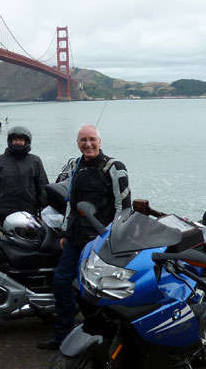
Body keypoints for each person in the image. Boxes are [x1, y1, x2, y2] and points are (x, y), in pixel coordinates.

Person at [37, 124, 131, 350]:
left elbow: (124, 208)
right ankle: (63, 336)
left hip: (99, 241)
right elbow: (71, 202)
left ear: (100, 141)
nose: (87, 144)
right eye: (83, 140)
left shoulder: (114, 167)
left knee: (93, 291)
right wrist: (65, 232)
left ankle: (97, 339)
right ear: (77, 143)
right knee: (61, 284)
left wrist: (112, 238)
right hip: (75, 238)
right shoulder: (76, 166)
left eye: (91, 140)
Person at [0, 125, 49, 223]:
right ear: (10, 141)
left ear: (26, 142)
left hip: (27, 211)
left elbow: (42, 187)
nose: (18, 142)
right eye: (15, 139)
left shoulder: (35, 161)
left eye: (21, 140)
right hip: (3, 211)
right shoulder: (0, 160)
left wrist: (43, 210)